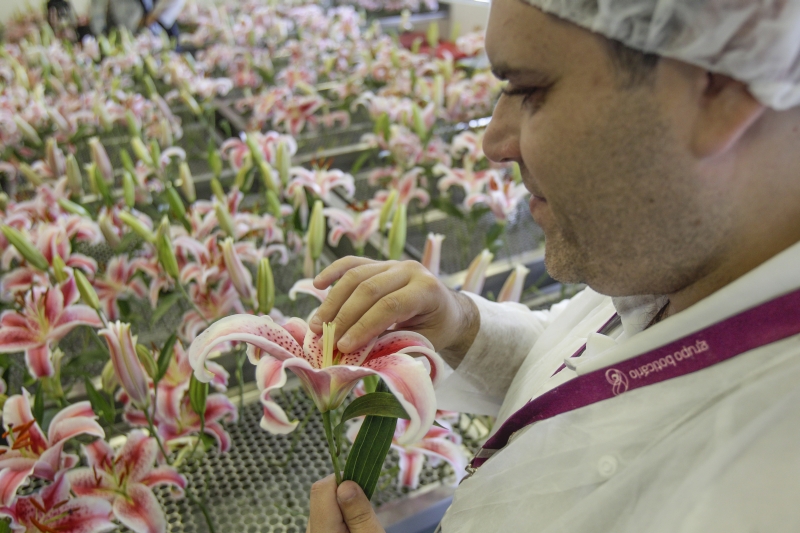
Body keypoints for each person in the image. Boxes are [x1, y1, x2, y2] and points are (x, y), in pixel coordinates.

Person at [305, 0, 800, 532]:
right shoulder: (669, 256)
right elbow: (592, 357)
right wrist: (460, 325)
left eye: (527, 89)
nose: (493, 142)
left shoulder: (762, 496)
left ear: (718, 88)